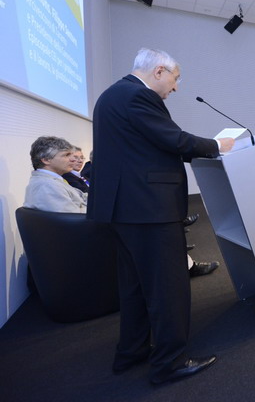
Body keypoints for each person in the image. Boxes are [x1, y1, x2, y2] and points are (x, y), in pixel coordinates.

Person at [88, 48, 234, 385]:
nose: (176, 86)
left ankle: (132, 351)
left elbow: (148, 146)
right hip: (147, 207)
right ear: (158, 71)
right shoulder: (137, 96)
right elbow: (173, 140)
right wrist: (217, 146)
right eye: (175, 78)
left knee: (135, 286)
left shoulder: (113, 95)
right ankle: (170, 362)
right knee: (168, 287)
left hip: (125, 209)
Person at [24, 136, 88, 213]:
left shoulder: (53, 180)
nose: (73, 160)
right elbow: (72, 216)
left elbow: (81, 197)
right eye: (66, 155)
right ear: (46, 160)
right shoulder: (47, 185)